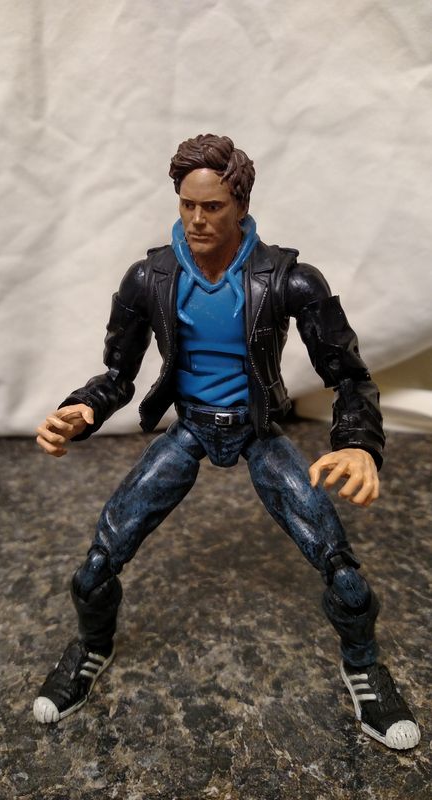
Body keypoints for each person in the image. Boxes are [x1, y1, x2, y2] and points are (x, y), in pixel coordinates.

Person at [34, 134, 419, 749]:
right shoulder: (149, 278)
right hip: (189, 427)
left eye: (211, 206)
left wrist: (358, 444)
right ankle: (91, 648)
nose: (196, 219)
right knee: (96, 566)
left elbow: (350, 377)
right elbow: (116, 374)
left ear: (240, 205)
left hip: (258, 430)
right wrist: (82, 408)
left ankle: (366, 667)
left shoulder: (291, 280)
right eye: (187, 204)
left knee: (343, 571)